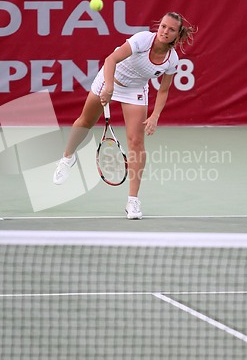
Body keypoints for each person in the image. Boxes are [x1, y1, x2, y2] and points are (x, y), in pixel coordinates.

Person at [53, 12, 197, 219]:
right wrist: (109, 87)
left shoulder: (172, 59)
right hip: (109, 79)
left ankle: (133, 201)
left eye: (171, 29)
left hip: (135, 91)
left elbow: (164, 90)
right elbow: (111, 59)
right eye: (163, 26)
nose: (165, 31)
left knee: (136, 142)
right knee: (86, 121)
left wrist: (155, 115)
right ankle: (67, 158)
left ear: (177, 34)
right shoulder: (142, 40)